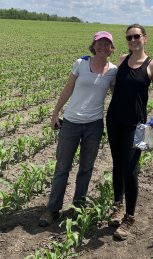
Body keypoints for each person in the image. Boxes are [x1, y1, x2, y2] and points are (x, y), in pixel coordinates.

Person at [39, 31, 117, 227]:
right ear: (93, 45)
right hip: (71, 123)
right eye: (99, 43)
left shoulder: (113, 70)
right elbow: (68, 89)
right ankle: (52, 209)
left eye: (107, 44)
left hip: (94, 125)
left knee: (86, 169)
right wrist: (56, 112)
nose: (102, 47)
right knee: (62, 167)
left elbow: (117, 96)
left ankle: (77, 207)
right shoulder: (80, 63)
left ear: (111, 49)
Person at [106, 24, 153, 240]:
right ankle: (117, 206)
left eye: (136, 36)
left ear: (145, 38)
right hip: (113, 120)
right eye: (129, 37)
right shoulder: (122, 60)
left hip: (138, 126)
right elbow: (108, 77)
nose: (133, 40)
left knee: (131, 169)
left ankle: (129, 216)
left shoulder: (152, 66)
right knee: (117, 164)